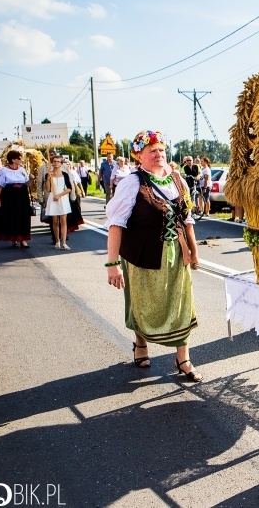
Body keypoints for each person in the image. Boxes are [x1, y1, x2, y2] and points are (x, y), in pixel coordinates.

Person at [105, 130, 201, 381]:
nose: (159, 154)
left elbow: (187, 219)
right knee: (143, 303)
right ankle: (141, 344)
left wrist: (194, 251)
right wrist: (112, 264)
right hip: (142, 254)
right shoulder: (132, 183)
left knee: (182, 304)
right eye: (152, 151)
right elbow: (116, 224)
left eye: (161, 150)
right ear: (139, 156)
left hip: (176, 254)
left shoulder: (177, 180)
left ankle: (183, 358)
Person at [0, 150, 33, 249]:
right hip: (10, 196)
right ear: (13, 160)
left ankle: (23, 239)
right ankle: (13, 238)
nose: (21, 160)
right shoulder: (4, 170)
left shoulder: (22, 169)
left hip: (22, 196)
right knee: (12, 216)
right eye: (19, 158)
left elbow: (27, 184)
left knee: (23, 216)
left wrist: (31, 179)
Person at [44, 156, 72, 250]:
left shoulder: (64, 174)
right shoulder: (48, 174)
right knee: (55, 221)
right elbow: (47, 189)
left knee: (63, 221)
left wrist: (59, 195)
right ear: (52, 163)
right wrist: (48, 178)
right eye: (54, 161)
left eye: (58, 161)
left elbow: (69, 188)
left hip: (62, 198)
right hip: (53, 198)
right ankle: (57, 242)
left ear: (61, 164)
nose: (56, 163)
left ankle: (64, 242)